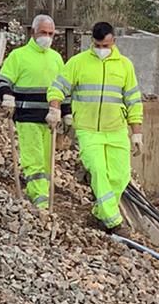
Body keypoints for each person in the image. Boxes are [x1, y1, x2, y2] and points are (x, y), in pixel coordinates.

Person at [46, 21, 143, 233]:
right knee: (98, 171)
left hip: (116, 130)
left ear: (113, 42)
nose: (101, 50)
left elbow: (133, 101)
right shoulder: (78, 63)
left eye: (105, 46)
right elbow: (58, 87)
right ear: (93, 42)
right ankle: (114, 222)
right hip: (88, 130)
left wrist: (136, 133)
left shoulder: (125, 66)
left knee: (120, 176)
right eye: (98, 45)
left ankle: (99, 214)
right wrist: (54, 109)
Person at [0, 14, 68, 211]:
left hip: (49, 120)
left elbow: (63, 89)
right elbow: (3, 81)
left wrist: (66, 112)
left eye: (51, 34)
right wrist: (7, 97)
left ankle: (40, 193)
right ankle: (40, 200)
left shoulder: (56, 58)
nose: (47, 37)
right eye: (43, 32)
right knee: (33, 159)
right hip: (27, 118)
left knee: (47, 161)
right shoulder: (19, 56)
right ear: (34, 32)